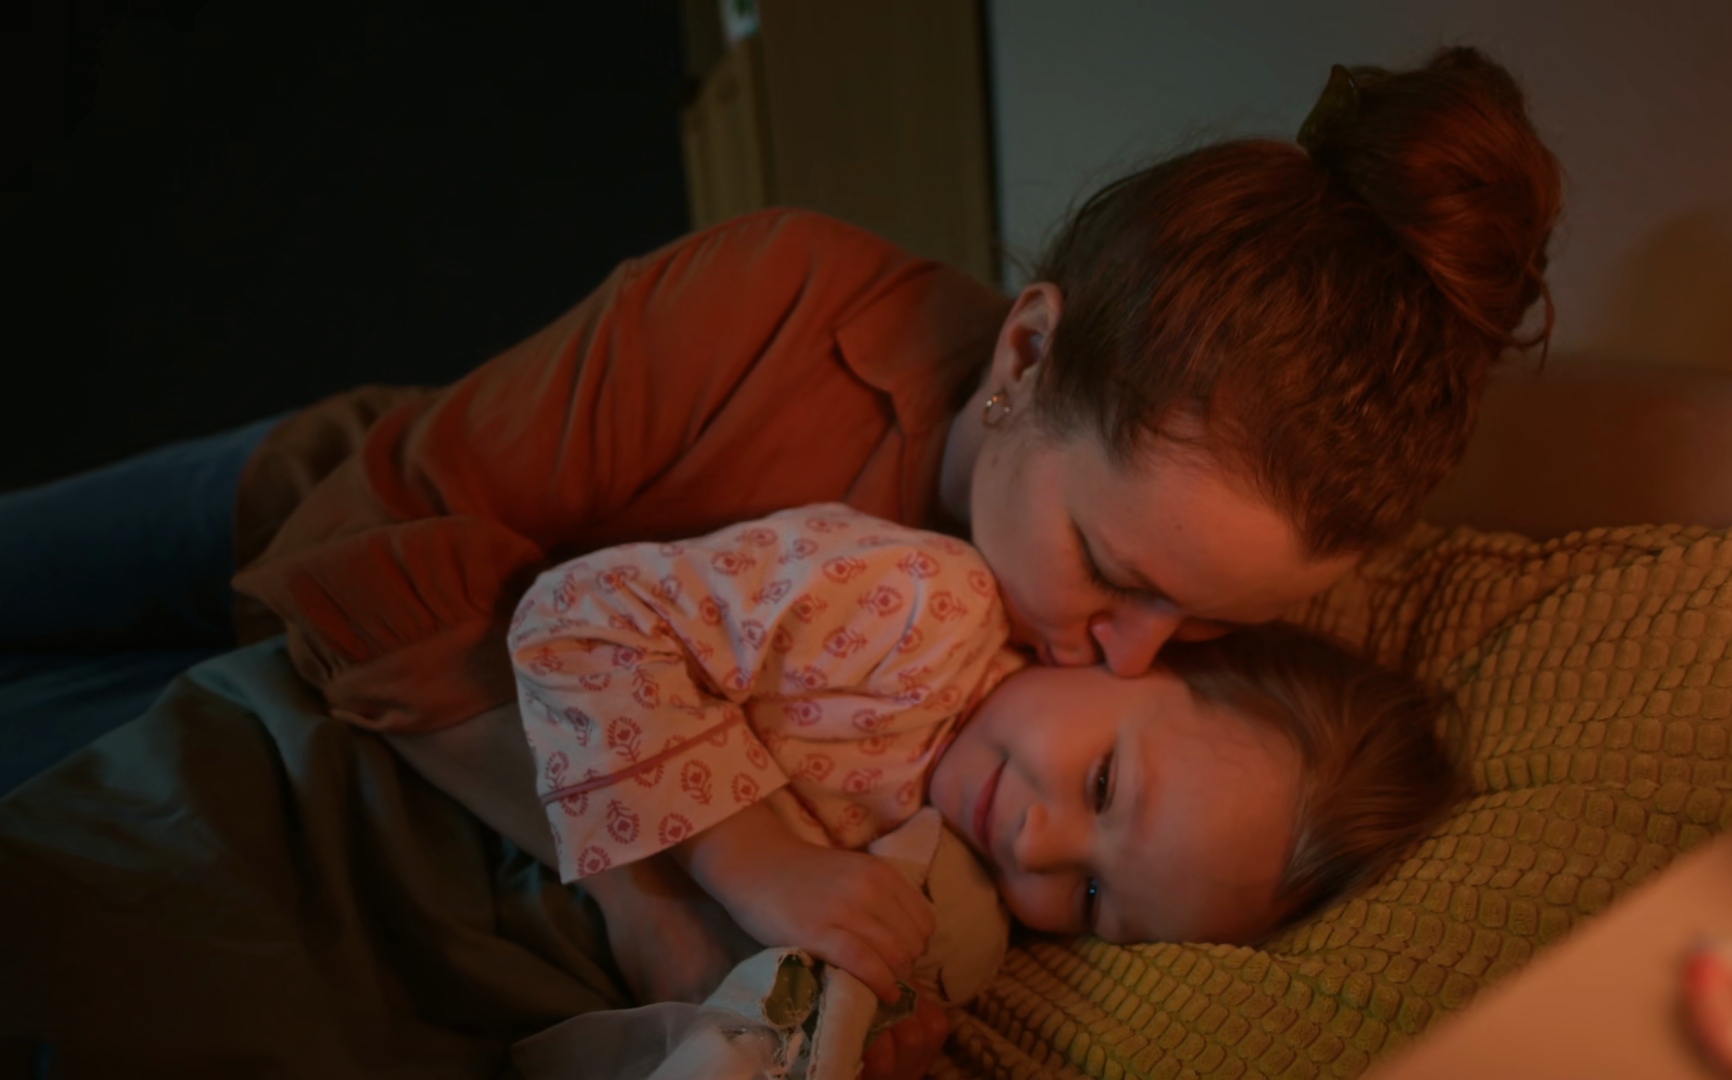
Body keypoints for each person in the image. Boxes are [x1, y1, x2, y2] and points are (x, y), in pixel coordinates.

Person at [0, 45, 1559, 1078]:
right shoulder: (774, 312)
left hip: (417, 737)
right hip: (358, 535)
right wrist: (680, 884)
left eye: (1202, 630)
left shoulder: (1097, 697)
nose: (1122, 651)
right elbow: (358, 575)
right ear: (1025, 354)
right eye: (1111, 568)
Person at [507, 503, 1460, 1010]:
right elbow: (581, 616)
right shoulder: (923, 609)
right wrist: (752, 862)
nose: (1039, 848)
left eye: (1093, 898)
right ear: (1141, 655)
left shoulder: (962, 878)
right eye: (1104, 786)